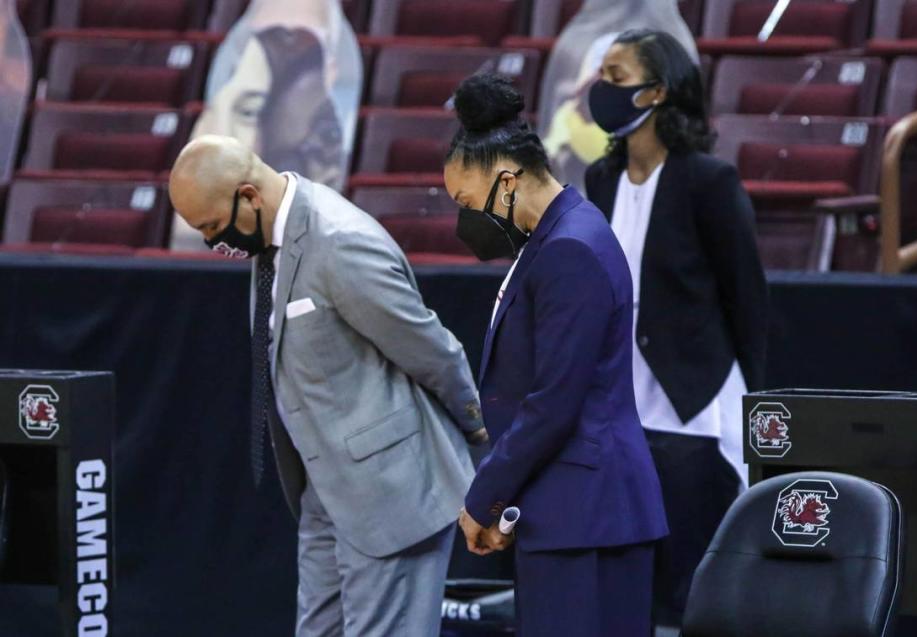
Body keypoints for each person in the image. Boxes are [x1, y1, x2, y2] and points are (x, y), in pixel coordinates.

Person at [169, 135, 488, 637]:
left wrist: (480, 429)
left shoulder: (339, 241)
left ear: (249, 196)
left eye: (213, 227)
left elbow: (431, 349)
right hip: (328, 492)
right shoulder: (270, 241)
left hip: (392, 494)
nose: (216, 243)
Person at [446, 73, 668, 637]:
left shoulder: (569, 248)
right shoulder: (556, 235)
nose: (465, 221)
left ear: (507, 180)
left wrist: (484, 497)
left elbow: (554, 401)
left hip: (590, 517)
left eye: (468, 203)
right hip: (572, 512)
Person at [585, 29, 769, 626]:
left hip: (695, 400)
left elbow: (747, 300)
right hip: (622, 403)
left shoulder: (708, 182)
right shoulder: (600, 179)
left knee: (691, 584)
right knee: (630, 578)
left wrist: (745, 404)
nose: (601, 90)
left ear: (656, 92)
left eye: (616, 78)